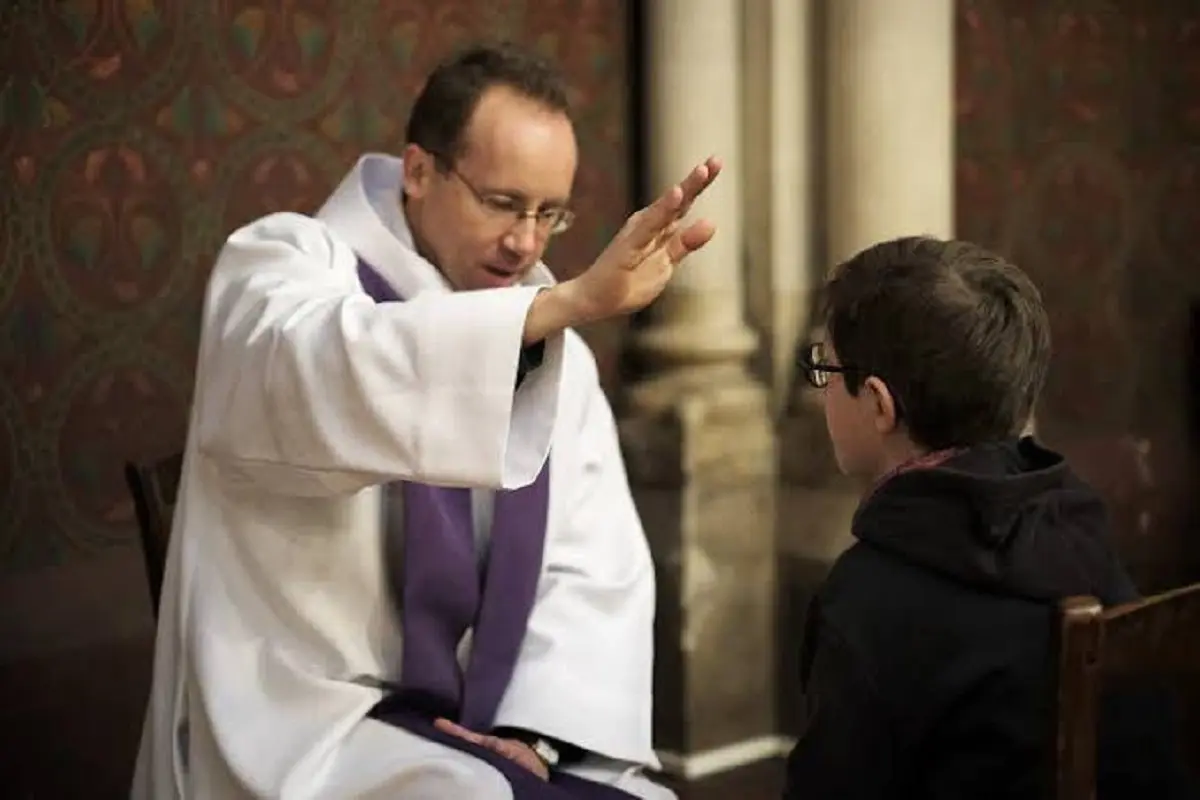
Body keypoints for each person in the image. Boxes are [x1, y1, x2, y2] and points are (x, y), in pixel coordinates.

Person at [132, 41, 722, 800]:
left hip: (493, 719)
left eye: (550, 213)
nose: (528, 243)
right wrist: (560, 306)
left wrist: (532, 733)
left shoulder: (544, 344)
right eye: (504, 203)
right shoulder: (283, 262)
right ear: (418, 171)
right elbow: (317, 369)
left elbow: (593, 563)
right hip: (316, 718)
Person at [783, 236, 1198, 799]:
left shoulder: (867, 596)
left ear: (879, 404)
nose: (823, 387)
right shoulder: (1077, 524)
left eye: (824, 369)